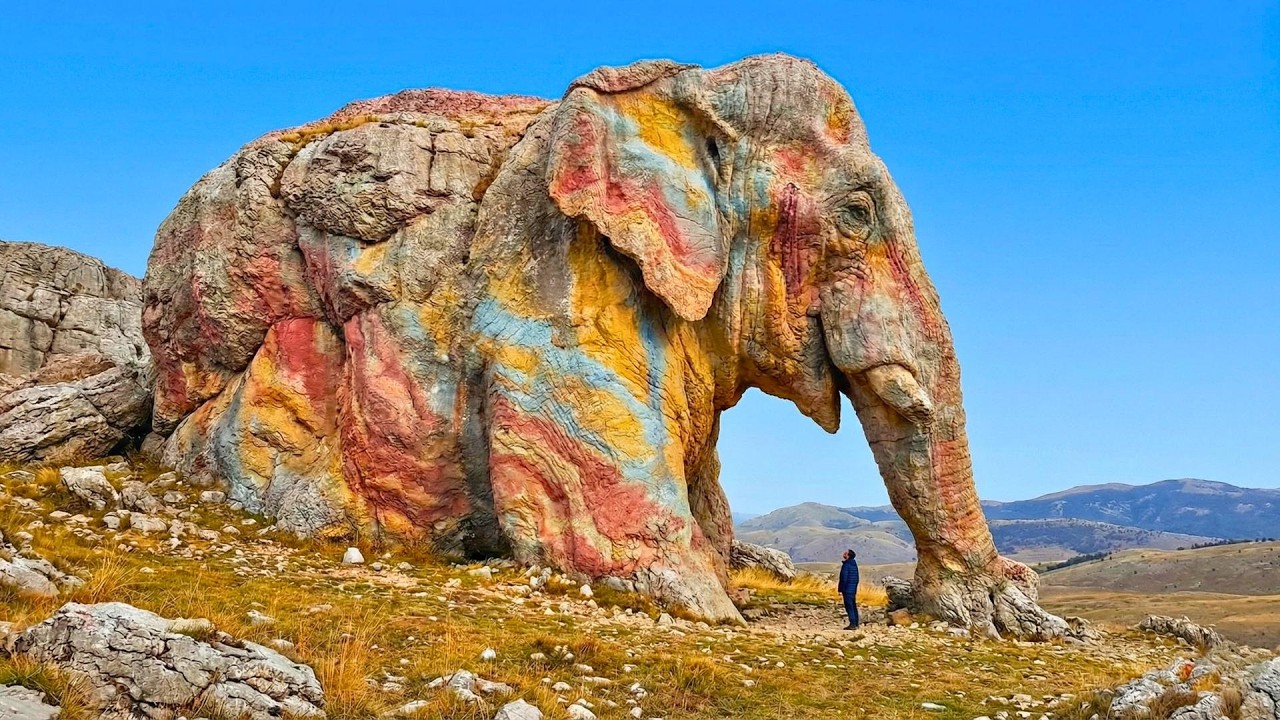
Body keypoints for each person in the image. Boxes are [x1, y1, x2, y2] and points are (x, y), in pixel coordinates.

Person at [837, 549, 860, 630]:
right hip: (853, 589)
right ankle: (856, 623)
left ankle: (852, 624)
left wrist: (840, 589)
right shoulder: (854, 564)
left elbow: (843, 578)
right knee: (853, 605)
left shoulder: (846, 565)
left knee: (849, 606)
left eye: (845, 553)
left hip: (847, 589)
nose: (843, 554)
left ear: (848, 556)